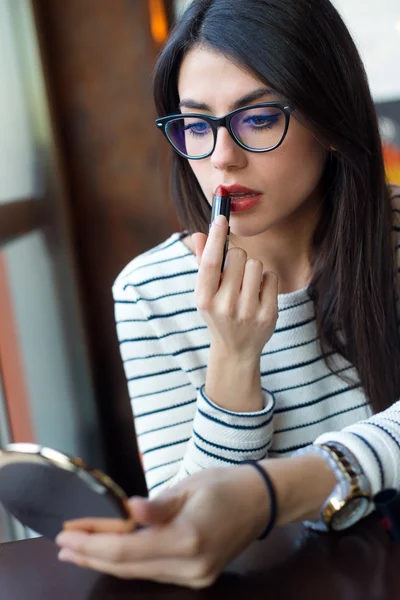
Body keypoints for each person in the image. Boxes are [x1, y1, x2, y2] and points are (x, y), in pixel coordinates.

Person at [55, 0, 400, 588]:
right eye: (196, 125)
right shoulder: (150, 293)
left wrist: (280, 490)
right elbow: (191, 531)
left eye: (258, 118)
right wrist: (234, 360)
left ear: (332, 119)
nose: (222, 158)